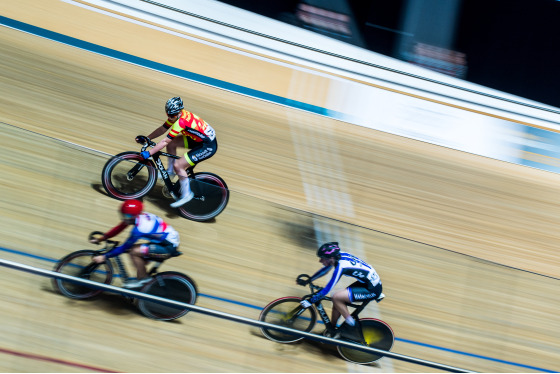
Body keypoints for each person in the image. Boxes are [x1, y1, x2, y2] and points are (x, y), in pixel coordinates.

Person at [139, 96, 217, 207]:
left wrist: (149, 153)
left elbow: (165, 141)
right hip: (198, 139)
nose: (170, 118)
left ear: (179, 112)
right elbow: (163, 128)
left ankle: (187, 194)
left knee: (178, 165)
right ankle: (170, 172)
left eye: (172, 116)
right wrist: (148, 138)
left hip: (207, 146)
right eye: (168, 115)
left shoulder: (181, 122)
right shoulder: (177, 115)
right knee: (172, 144)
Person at [296, 242, 384, 341]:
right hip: (367, 283)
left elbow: (327, 289)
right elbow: (324, 270)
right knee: (337, 301)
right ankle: (331, 331)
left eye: (322, 258)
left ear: (331, 258)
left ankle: (351, 324)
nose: (320, 260)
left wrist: (310, 301)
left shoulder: (341, 267)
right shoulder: (337, 257)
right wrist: (309, 280)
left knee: (336, 297)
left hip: (372, 289)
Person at [91, 200, 181, 288]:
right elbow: (119, 227)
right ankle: (144, 284)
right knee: (138, 257)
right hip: (164, 241)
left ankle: (144, 279)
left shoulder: (139, 229)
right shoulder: (136, 217)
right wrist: (102, 238)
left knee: (134, 252)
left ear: (134, 216)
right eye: (123, 214)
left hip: (168, 247)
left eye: (126, 216)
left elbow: (124, 247)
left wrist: (104, 257)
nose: (124, 218)